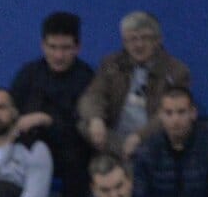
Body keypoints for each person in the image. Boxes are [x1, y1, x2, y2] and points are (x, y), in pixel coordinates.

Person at [9, 11, 92, 197]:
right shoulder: (29, 74)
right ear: (43, 46)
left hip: (71, 152)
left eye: (65, 48)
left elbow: (82, 127)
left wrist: (45, 119)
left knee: (78, 164)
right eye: (53, 47)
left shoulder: (86, 78)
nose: (58, 55)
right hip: (29, 149)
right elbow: (10, 112)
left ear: (78, 48)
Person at [77, 10, 191, 161]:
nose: (138, 45)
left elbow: (168, 114)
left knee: (169, 126)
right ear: (124, 42)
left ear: (158, 40)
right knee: (84, 124)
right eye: (131, 39)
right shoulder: (111, 63)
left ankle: (128, 161)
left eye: (145, 38)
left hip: (150, 138)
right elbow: (93, 95)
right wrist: (96, 119)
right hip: (113, 138)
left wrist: (139, 137)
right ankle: (124, 156)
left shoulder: (177, 71)